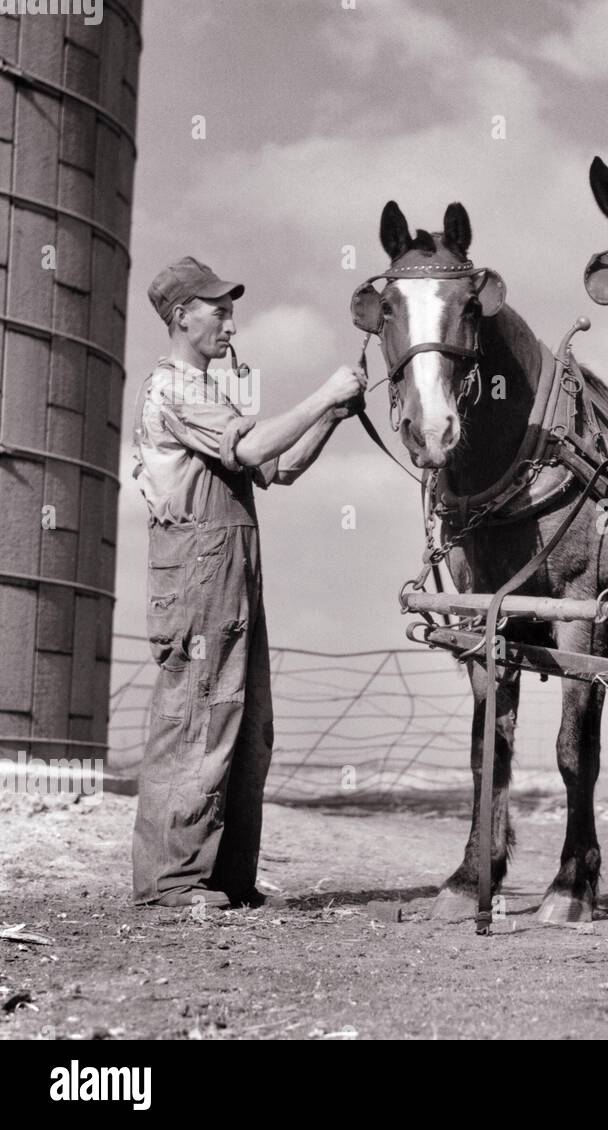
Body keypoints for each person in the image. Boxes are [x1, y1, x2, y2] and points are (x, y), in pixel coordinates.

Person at [130, 256, 365, 909]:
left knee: (245, 723)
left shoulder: (211, 392)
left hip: (228, 568)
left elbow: (278, 466)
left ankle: (225, 877)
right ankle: (172, 884)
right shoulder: (175, 388)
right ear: (182, 315)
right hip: (198, 567)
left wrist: (333, 417)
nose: (231, 321)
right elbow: (251, 450)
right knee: (196, 717)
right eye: (218, 309)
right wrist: (322, 393)